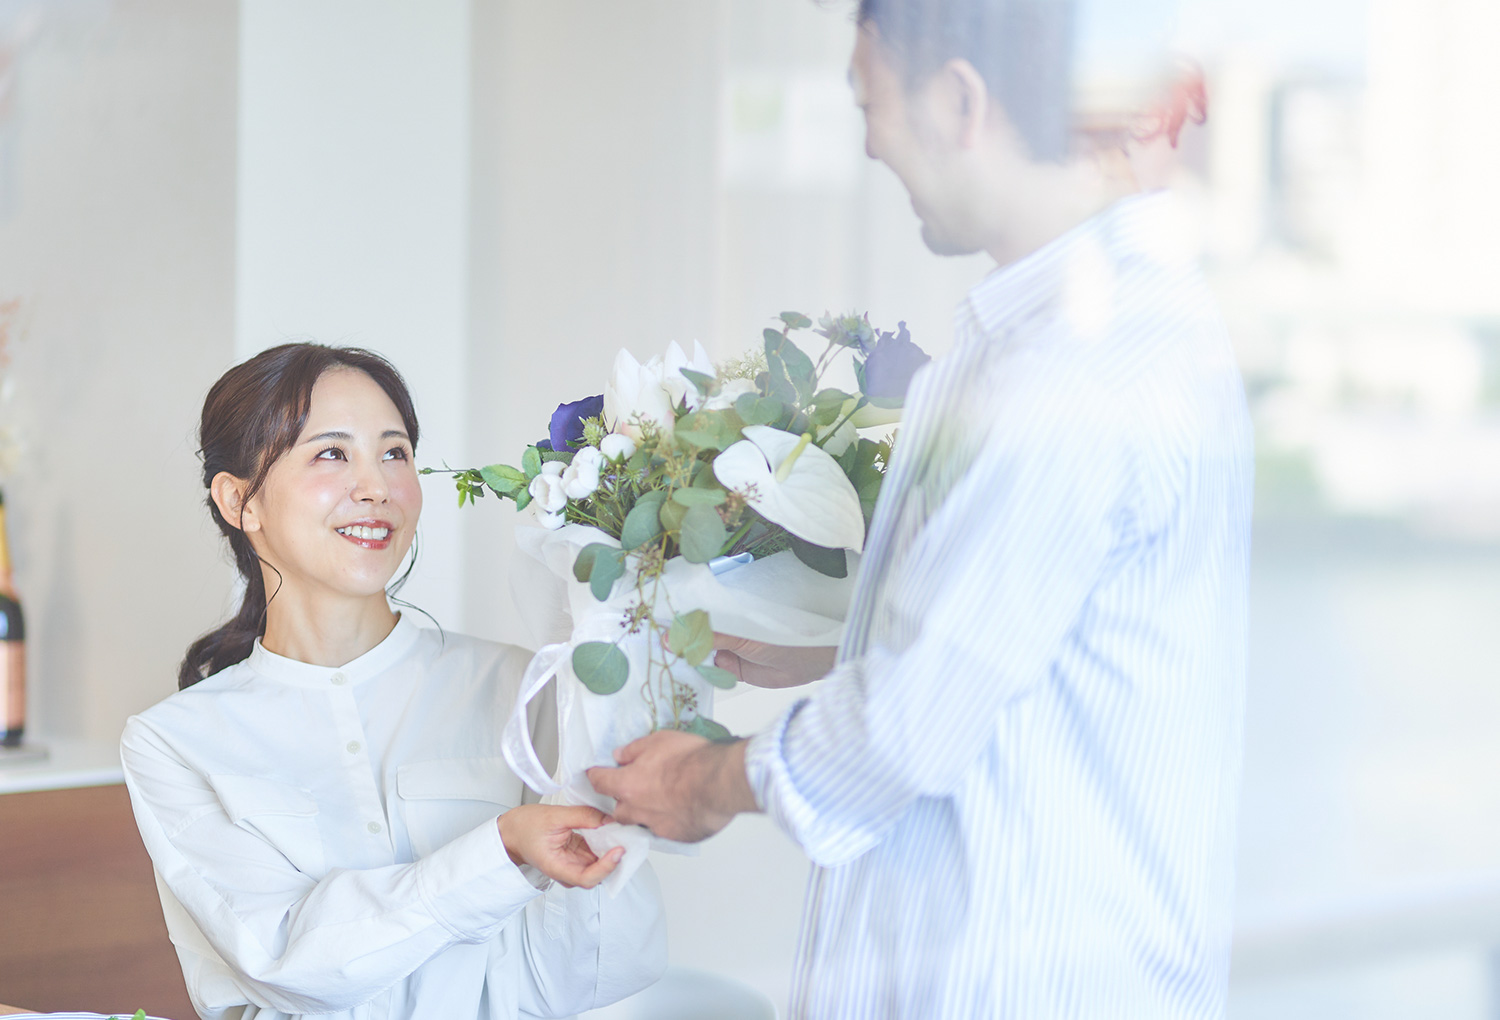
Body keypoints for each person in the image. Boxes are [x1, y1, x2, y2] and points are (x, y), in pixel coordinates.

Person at [589, 1, 1252, 1016]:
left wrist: (702, 783)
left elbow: (903, 732)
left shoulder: (1068, 373)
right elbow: (1016, 644)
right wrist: (846, 646)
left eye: (871, 101)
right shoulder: (1080, 326)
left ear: (958, 101)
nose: (867, 141)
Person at [122, 344, 666, 1020]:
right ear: (240, 501)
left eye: (394, 452)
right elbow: (287, 963)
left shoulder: (526, 687)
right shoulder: (175, 743)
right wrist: (501, 849)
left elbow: (604, 962)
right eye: (330, 453)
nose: (376, 487)